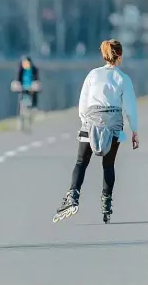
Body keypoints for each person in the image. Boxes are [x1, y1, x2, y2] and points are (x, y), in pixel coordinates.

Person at [53, 39, 139, 224]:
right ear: (120, 56)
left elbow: (83, 102)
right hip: (113, 125)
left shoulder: (93, 75)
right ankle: (106, 203)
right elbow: (130, 107)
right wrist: (135, 131)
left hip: (90, 122)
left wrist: (85, 121)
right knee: (108, 165)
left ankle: (73, 195)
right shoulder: (123, 78)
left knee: (81, 162)